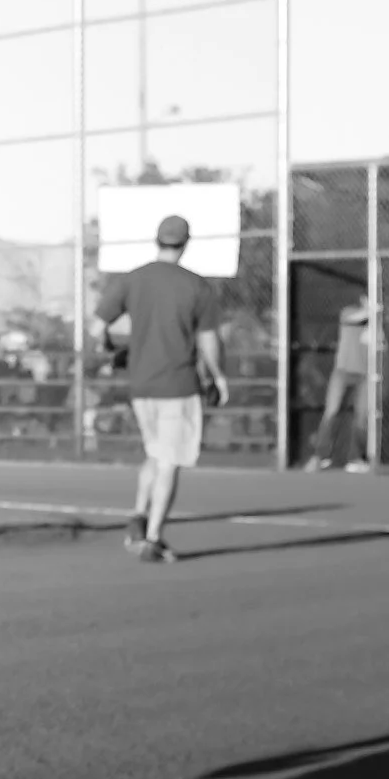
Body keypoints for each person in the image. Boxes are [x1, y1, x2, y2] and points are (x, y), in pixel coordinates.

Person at [93, 214, 229, 563]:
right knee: (169, 461)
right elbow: (209, 339)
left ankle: (139, 516)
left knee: (156, 453)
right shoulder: (196, 286)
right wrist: (218, 375)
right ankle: (153, 538)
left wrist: (111, 349)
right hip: (178, 385)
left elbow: (97, 326)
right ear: (185, 243)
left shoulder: (132, 279)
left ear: (157, 239)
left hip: (140, 384)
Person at [304, 293, 373, 472]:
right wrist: (371, 311)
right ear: (363, 299)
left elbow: (382, 344)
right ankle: (320, 457)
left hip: (366, 375)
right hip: (343, 372)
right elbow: (357, 318)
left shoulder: (377, 321)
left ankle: (356, 459)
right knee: (331, 412)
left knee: (362, 417)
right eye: (369, 297)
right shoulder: (349, 312)